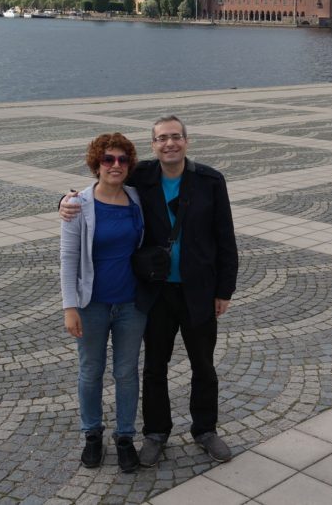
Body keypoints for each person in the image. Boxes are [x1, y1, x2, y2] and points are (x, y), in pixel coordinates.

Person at [60, 115, 238, 465]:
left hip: (199, 290)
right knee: (155, 366)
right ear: (153, 146)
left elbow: (225, 238)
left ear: (186, 141)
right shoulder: (141, 177)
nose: (169, 143)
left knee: (203, 364)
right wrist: (64, 201)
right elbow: (99, 187)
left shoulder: (210, 180)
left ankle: (205, 430)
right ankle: (156, 432)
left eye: (176, 137)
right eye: (162, 139)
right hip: (155, 293)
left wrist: (224, 290)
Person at [60, 132, 146, 473]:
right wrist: (69, 307)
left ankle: (125, 437)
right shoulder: (78, 205)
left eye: (122, 159)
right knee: (90, 371)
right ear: (96, 164)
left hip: (131, 305)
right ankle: (92, 434)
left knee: (126, 372)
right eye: (108, 159)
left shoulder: (137, 198)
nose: (115, 165)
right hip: (91, 304)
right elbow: (68, 258)